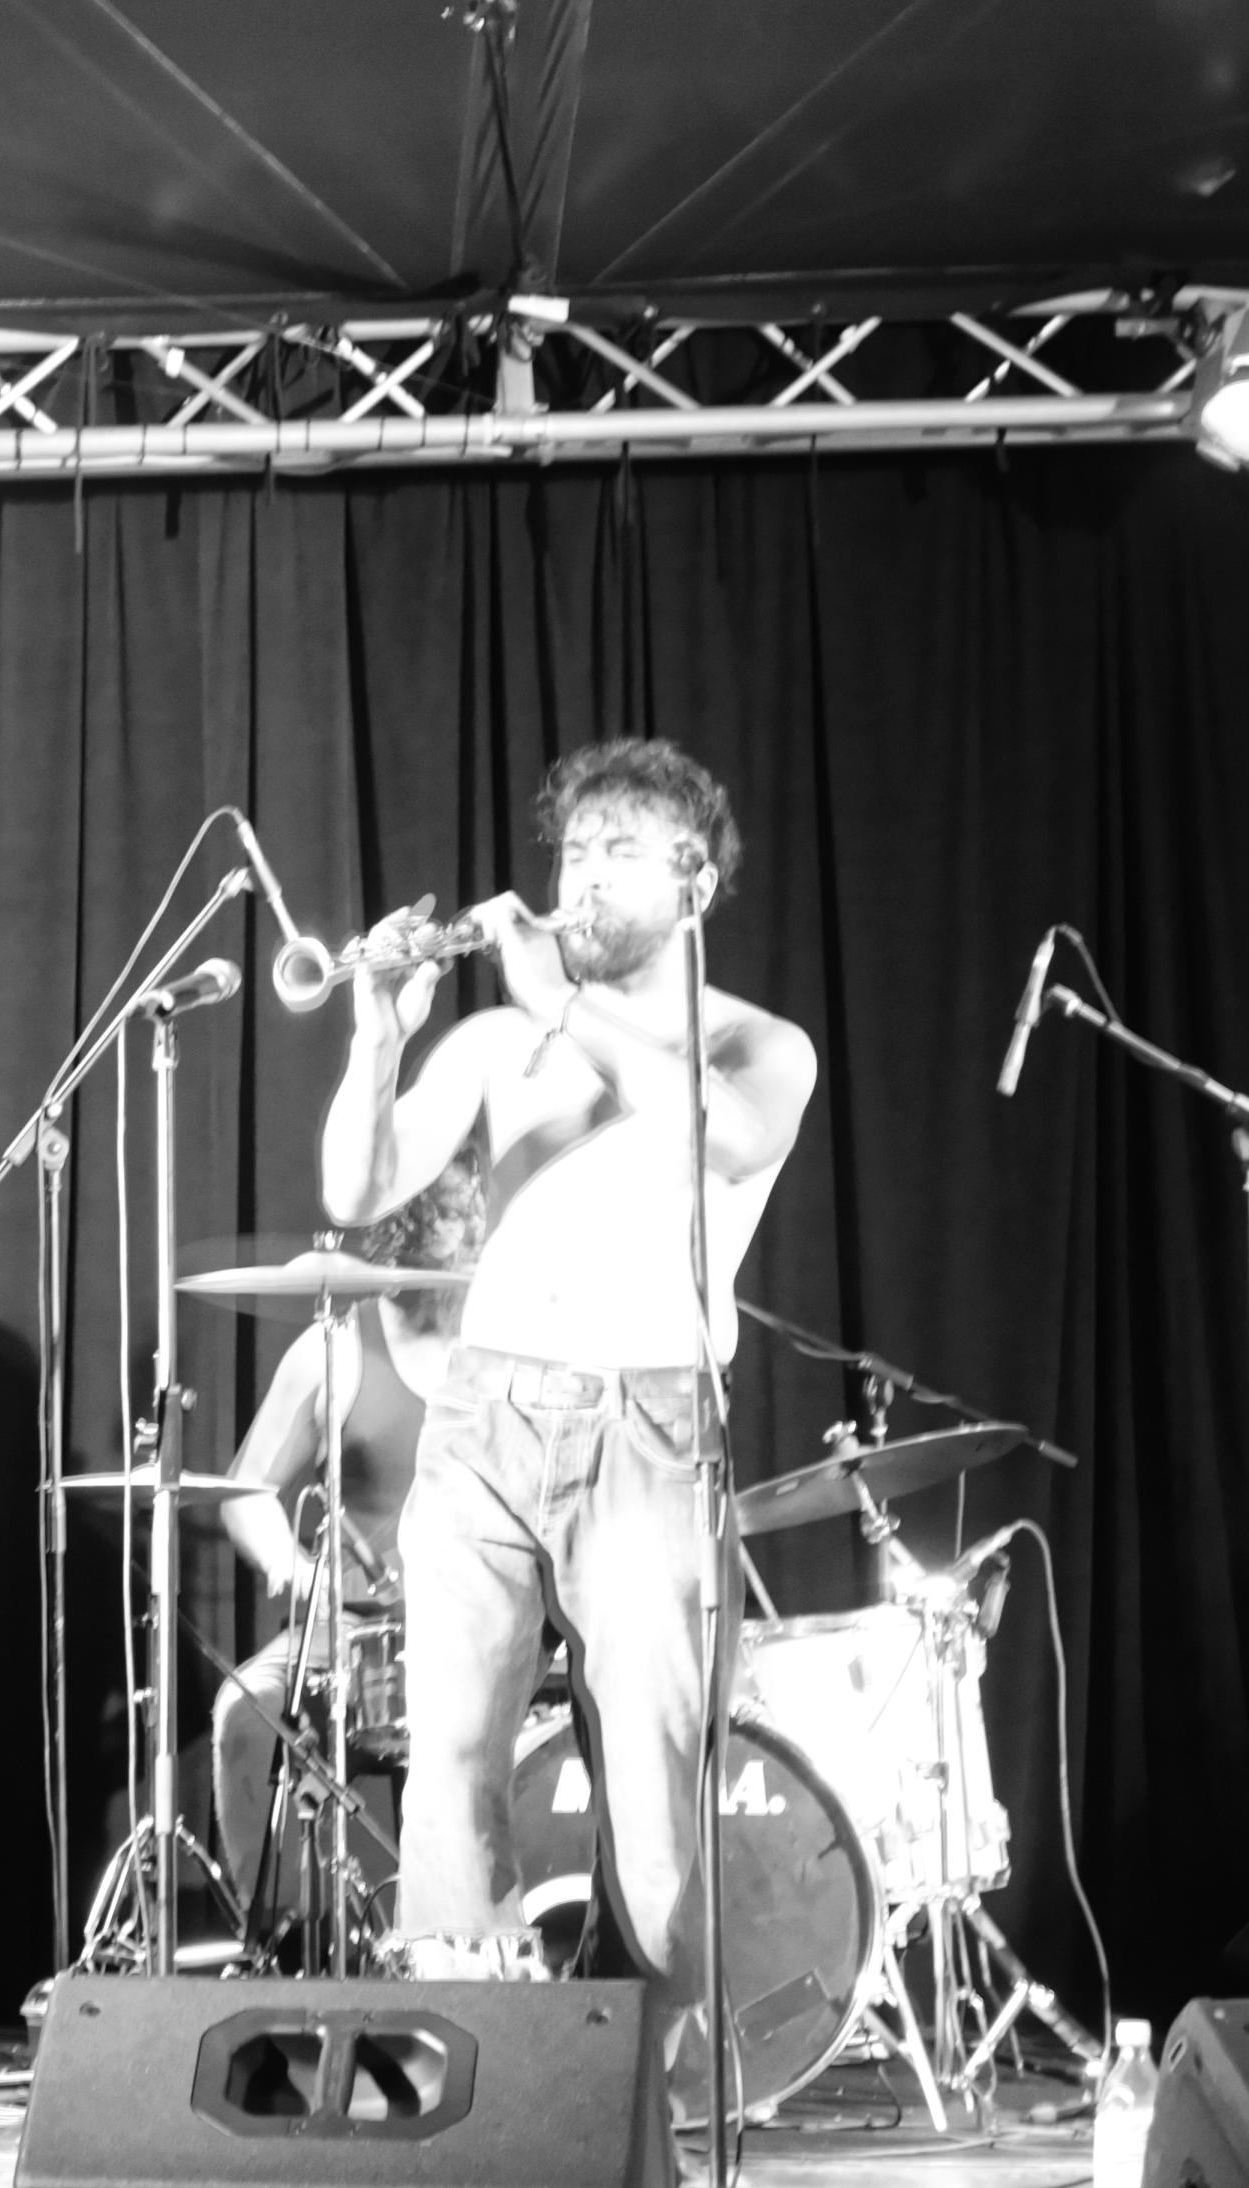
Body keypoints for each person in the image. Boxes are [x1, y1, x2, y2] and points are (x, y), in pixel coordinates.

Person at [318, 740, 816, 2114]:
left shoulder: (757, 1043)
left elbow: (722, 1137)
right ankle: (459, 2101)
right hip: (483, 1416)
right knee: (445, 1772)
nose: (579, 878)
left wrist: (558, 998)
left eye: (617, 853)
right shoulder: (499, 1042)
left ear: (694, 883)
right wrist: (377, 1032)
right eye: (569, 853)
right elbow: (355, 1190)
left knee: (649, 1806)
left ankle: (636, 2116)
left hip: (645, 1428)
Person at [207, 1149, 484, 1915]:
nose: (462, 1234)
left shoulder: (513, 1347)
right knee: (244, 1714)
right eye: (442, 1218)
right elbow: (246, 1491)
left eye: (470, 1215)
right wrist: (291, 1565)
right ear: (398, 1231)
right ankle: (284, 1936)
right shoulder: (336, 1347)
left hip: (487, 1629)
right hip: (354, 1635)